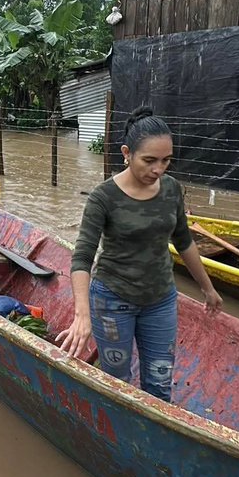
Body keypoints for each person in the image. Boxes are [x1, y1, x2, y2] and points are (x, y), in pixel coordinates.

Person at [57, 108, 222, 402]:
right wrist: (81, 315)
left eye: (166, 160)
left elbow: (184, 241)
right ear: (127, 153)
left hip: (160, 301)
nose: (159, 169)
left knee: (159, 383)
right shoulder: (103, 197)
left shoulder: (171, 189)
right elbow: (82, 257)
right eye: (149, 160)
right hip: (112, 301)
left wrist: (208, 289)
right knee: (118, 382)